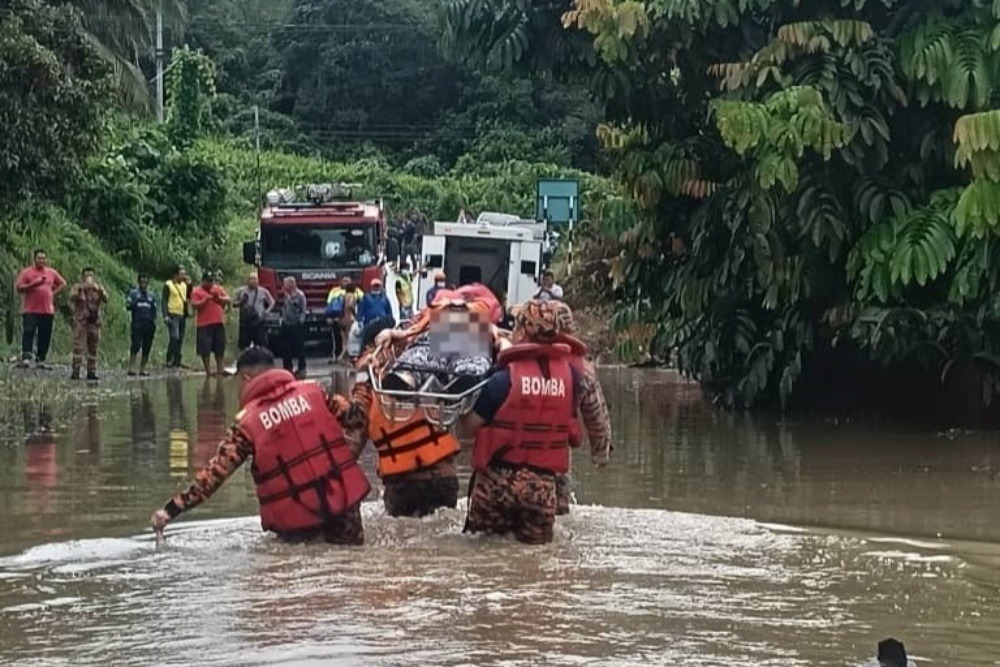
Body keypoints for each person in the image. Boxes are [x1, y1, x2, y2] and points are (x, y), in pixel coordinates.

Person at [149, 346, 371, 545]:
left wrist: (171, 510)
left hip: (297, 522)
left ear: (246, 378)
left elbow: (214, 475)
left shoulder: (247, 423)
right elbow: (358, 417)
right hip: (344, 510)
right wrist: (363, 378)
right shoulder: (316, 393)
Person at [458, 300, 602, 545]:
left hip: (496, 486)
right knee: (536, 563)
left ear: (523, 332)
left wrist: (462, 405)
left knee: (481, 556)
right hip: (542, 490)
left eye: (515, 326)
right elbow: (575, 432)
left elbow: (467, 430)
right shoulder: (573, 378)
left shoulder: (502, 379)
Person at [341, 319, 461, 517]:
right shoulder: (431, 364)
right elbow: (466, 330)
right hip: (441, 480)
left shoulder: (365, 390)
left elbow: (351, 445)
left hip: (404, 488)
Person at [15, 249, 66, 369]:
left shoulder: (51, 272)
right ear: (34, 259)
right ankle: (26, 357)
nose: (41, 261)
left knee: (45, 335)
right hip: (31, 309)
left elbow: (63, 283)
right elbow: (19, 287)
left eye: (43, 258)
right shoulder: (27, 272)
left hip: (47, 310)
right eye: (39, 258)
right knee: (28, 332)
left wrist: (53, 293)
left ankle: (41, 359)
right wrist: (33, 284)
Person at [69, 267, 108, 381]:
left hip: (95, 321)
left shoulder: (98, 288)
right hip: (81, 321)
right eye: (86, 275)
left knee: (93, 348)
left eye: (91, 275)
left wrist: (99, 290)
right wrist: (82, 289)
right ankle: (76, 371)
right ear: (82, 276)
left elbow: (106, 299)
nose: (89, 277)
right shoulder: (78, 287)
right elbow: (72, 297)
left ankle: (92, 371)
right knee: (78, 346)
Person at [190, 271, 230, 377]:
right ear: (203, 281)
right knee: (205, 348)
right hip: (204, 324)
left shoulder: (218, 289)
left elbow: (228, 299)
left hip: (218, 321)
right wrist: (205, 300)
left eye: (211, 281)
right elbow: (194, 305)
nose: (210, 283)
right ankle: (208, 371)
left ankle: (220, 369)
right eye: (207, 281)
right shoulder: (196, 291)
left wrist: (219, 298)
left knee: (219, 347)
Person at [126, 273, 158, 376]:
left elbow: (154, 310)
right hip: (137, 323)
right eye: (142, 282)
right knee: (135, 345)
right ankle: (131, 367)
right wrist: (134, 302)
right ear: (139, 282)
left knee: (147, 347)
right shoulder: (134, 294)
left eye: (146, 282)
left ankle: (143, 369)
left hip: (149, 324)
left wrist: (154, 321)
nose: (144, 284)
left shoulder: (151, 295)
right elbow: (128, 305)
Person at [234, 272, 274, 351]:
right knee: (244, 345)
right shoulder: (241, 291)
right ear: (247, 280)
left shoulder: (263, 291)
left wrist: (267, 311)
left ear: (258, 281)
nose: (253, 281)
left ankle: (260, 360)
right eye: (251, 279)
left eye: (255, 279)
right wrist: (241, 302)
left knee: (261, 344)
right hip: (245, 321)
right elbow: (233, 304)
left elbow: (272, 302)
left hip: (258, 320)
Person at [162, 266, 191, 369]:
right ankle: (169, 359)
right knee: (174, 336)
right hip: (172, 313)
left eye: (184, 274)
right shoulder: (168, 284)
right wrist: (165, 315)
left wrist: (190, 284)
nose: (184, 276)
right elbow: (164, 300)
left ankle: (177, 360)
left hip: (182, 314)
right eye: (181, 274)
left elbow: (188, 296)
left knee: (180, 338)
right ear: (176, 275)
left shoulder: (184, 285)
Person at [280, 276, 308, 377]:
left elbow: (303, 310)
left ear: (292, 284)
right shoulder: (285, 295)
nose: (284, 285)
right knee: (286, 348)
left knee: (299, 347)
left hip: (296, 324)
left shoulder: (300, 295)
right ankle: (287, 368)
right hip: (286, 324)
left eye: (286, 283)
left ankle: (302, 368)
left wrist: (300, 322)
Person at [325, 275, 345, 363]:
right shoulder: (334, 291)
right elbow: (329, 305)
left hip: (349, 319)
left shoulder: (355, 291)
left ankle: (346, 357)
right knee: (336, 338)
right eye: (344, 281)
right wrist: (329, 316)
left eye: (348, 281)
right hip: (336, 317)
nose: (346, 283)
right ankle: (336, 356)